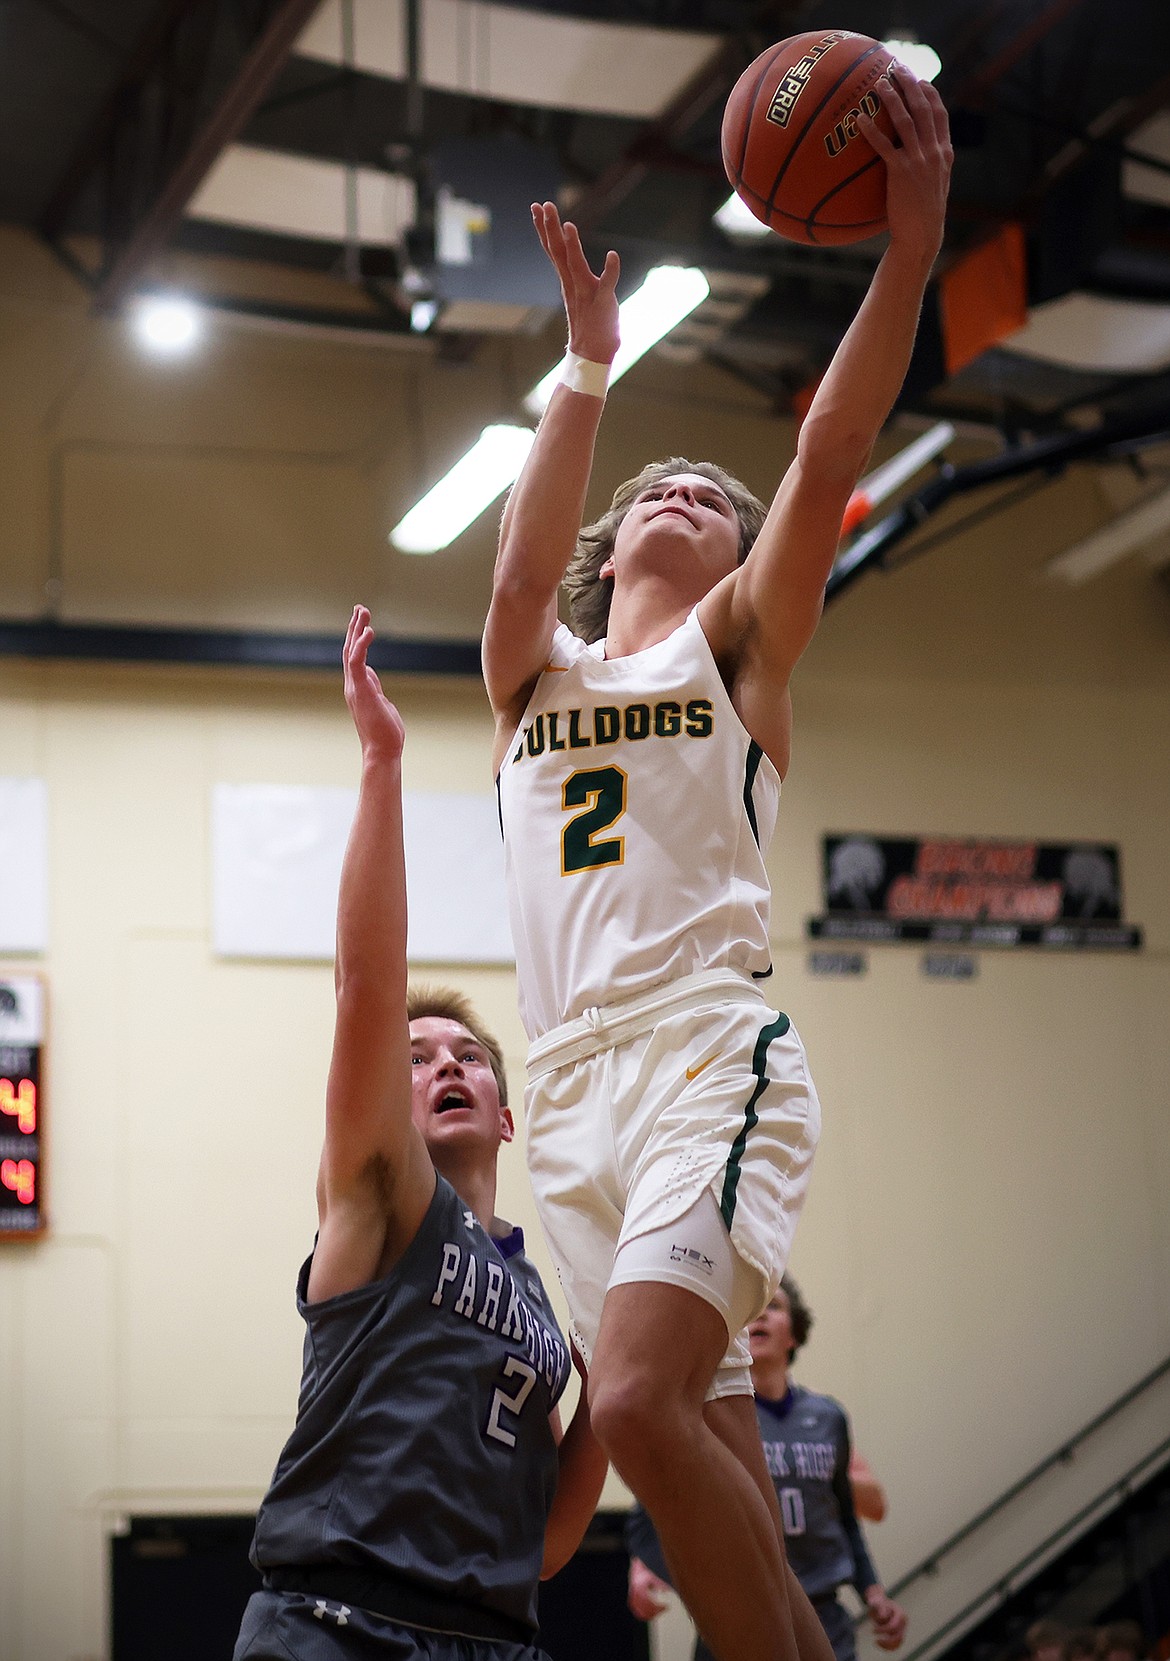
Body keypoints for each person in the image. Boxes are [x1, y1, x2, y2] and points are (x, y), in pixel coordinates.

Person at [482, 56, 950, 1661]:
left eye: (710, 494)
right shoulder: (530, 673)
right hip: (572, 1097)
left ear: (739, 559)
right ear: (614, 549)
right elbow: (517, 570)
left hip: (702, 1056)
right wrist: (584, 372)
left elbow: (824, 446)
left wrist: (904, 249)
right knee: (701, 1468)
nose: (685, 491)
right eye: (656, 487)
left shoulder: (738, 654)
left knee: (628, 1400)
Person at [233, 606, 607, 1661]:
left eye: (469, 1055)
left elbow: (547, 1542)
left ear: (506, 1109)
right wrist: (383, 763)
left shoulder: (537, 1297)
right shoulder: (384, 1196)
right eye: (418, 1055)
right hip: (339, 1622)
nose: (444, 1060)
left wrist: (618, 1382)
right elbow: (365, 987)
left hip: (492, 1637)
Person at [626, 1276, 908, 1661]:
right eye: (749, 1311)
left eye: (773, 1306)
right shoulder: (702, 1416)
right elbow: (646, 1521)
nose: (759, 1317)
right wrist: (696, 1586)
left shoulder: (828, 1417)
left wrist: (873, 1592)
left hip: (823, 1612)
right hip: (741, 1616)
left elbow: (846, 1518)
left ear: (795, 1333)